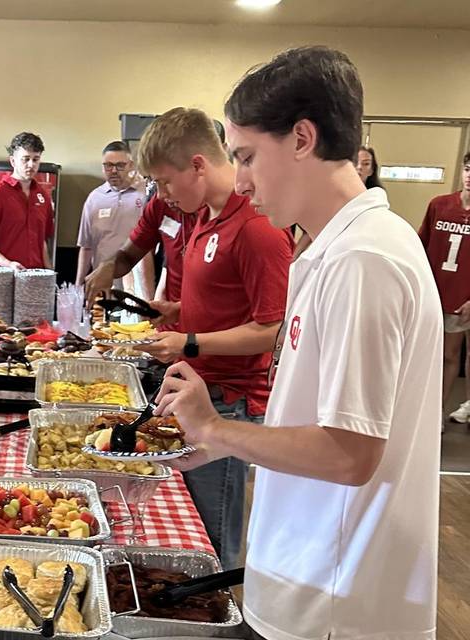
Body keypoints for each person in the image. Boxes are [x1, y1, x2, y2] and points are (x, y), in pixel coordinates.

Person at [155, 46, 440, 639]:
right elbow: (310, 418)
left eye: (248, 156)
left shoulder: (364, 258)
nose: (243, 179)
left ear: (303, 138)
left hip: (334, 599)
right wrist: (201, 449)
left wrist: (215, 428)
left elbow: (349, 454)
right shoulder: (332, 248)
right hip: (305, 575)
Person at [91, 108, 292, 569]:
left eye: (164, 183)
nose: (161, 196)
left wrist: (191, 341)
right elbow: (225, 298)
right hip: (197, 390)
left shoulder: (257, 228)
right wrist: (179, 312)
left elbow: (272, 330)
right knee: (193, 521)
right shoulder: (204, 216)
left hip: (230, 399)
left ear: (198, 164)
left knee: (213, 535)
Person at [418, 151, 470, 424]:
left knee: (451, 355)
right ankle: (419, 407)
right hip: (434, 292)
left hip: (461, 299)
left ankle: (436, 412)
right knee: (426, 353)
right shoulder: (439, 205)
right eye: (468, 168)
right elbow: (421, 246)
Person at [75, 141, 154, 297]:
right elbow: (86, 246)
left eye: (120, 165)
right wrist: (79, 285)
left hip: (137, 287)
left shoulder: (146, 194)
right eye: (108, 166)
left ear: (131, 165)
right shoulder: (94, 199)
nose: (113, 171)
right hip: (103, 285)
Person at [0, 132, 54, 270]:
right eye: (25, 159)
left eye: (36, 159)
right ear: (13, 161)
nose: (31, 164)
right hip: (3, 274)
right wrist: (8, 264)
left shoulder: (43, 196)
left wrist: (49, 272)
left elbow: (41, 241)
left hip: (35, 276)